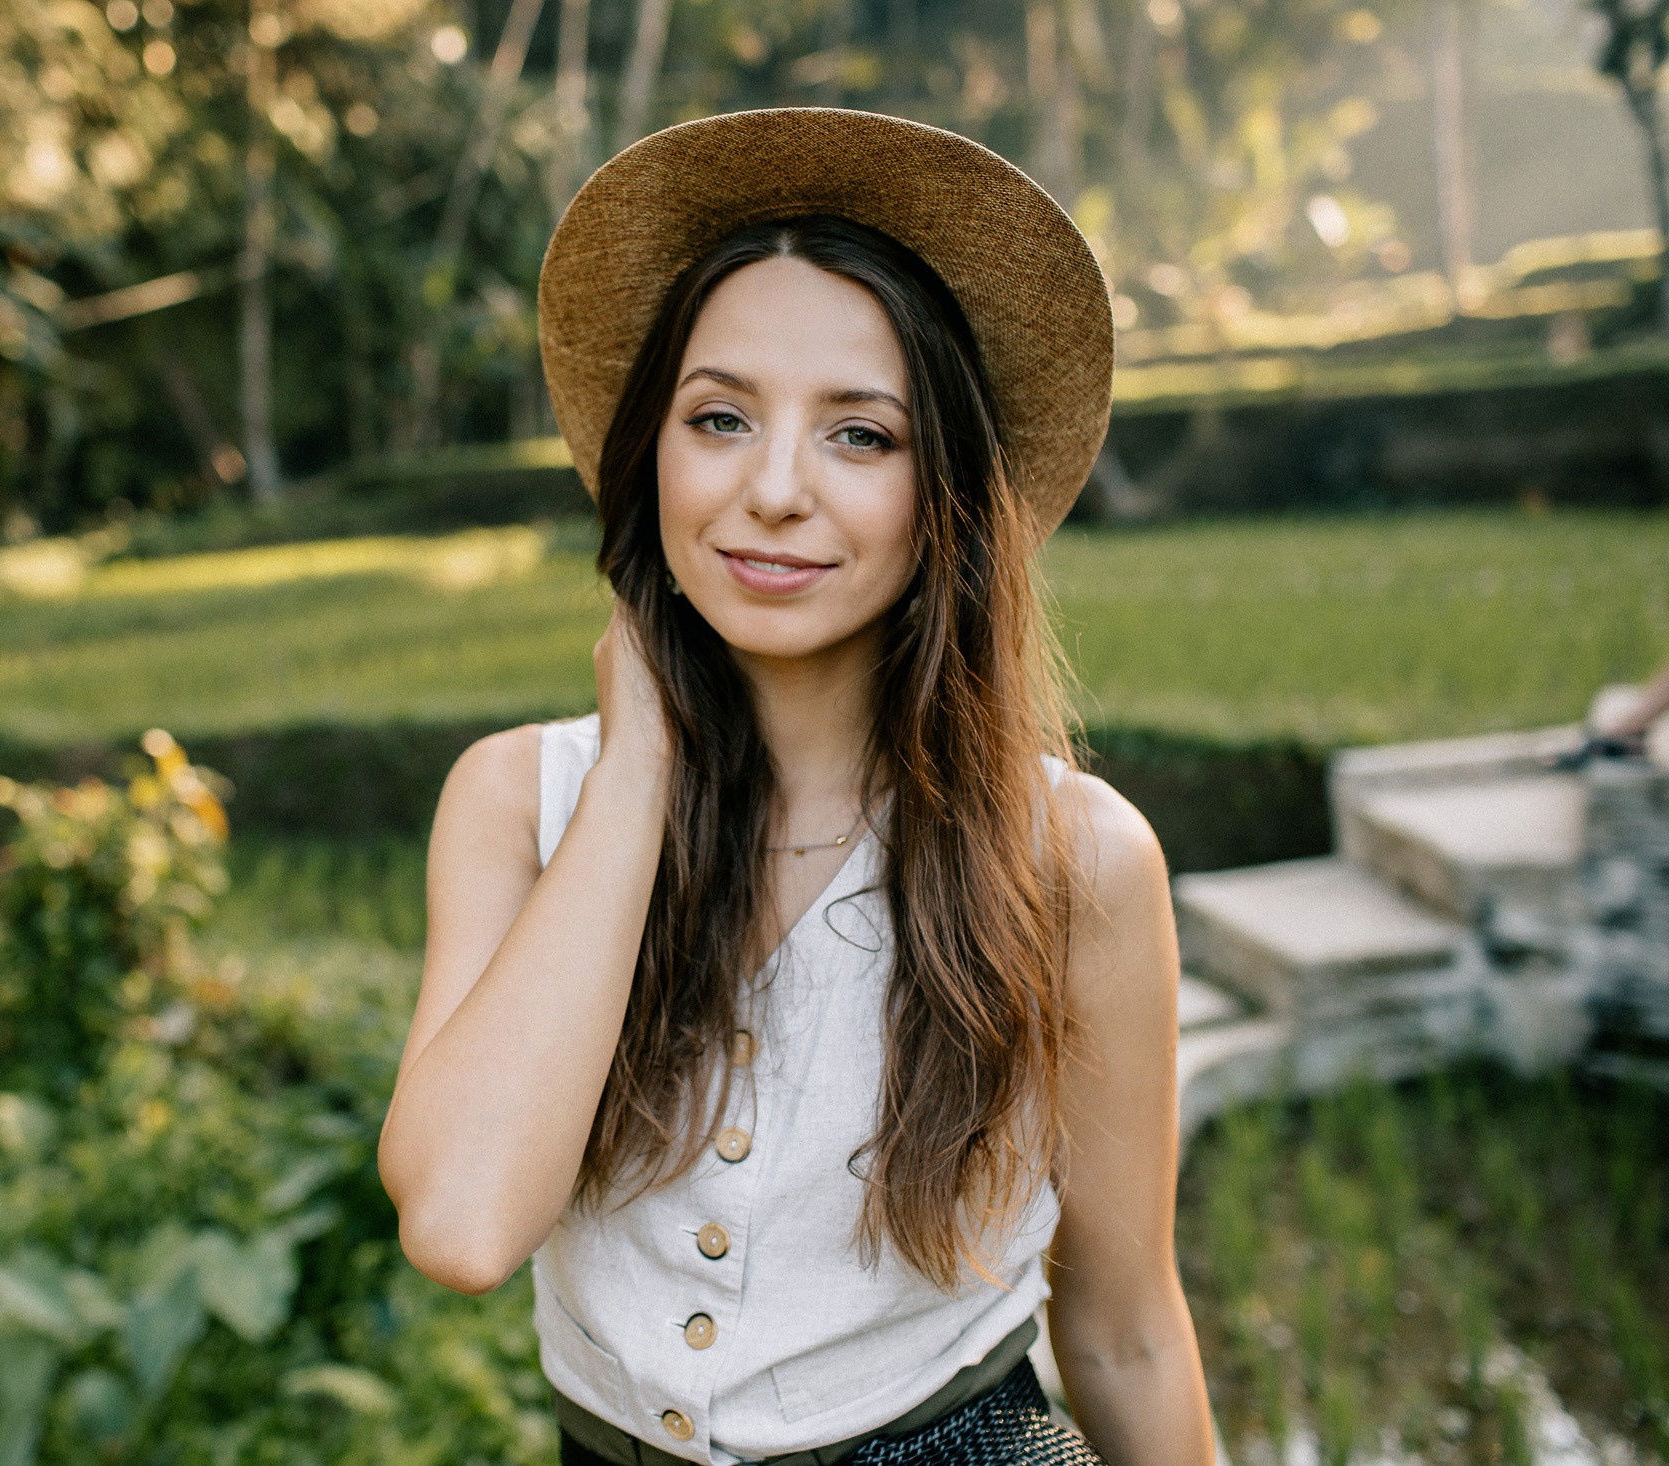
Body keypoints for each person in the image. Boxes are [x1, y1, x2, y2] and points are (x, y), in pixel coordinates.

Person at [377, 109, 1218, 1466]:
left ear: (946, 485)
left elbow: (1123, 1328)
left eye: (860, 436)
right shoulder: (516, 803)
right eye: (719, 418)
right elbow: (464, 1222)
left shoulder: (1076, 858)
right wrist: (641, 760)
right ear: (653, 452)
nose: (773, 490)